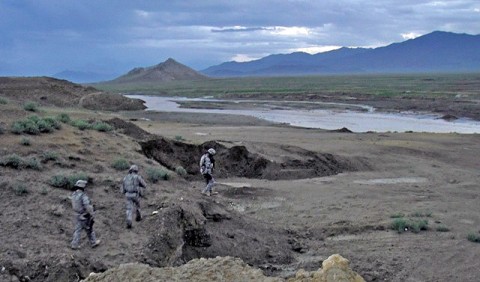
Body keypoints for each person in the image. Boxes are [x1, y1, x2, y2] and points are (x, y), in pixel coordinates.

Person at [70, 180, 100, 250]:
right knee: (89, 229)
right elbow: (87, 206)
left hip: (77, 215)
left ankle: (74, 244)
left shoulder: (74, 195)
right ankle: (93, 242)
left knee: (77, 230)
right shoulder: (83, 196)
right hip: (84, 215)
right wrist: (92, 213)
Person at [121, 164, 147, 229]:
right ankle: (138, 217)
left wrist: (125, 192)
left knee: (129, 209)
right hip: (135, 194)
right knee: (137, 206)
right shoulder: (137, 177)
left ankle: (129, 220)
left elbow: (122, 189)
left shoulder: (125, 178)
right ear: (136, 170)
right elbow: (144, 185)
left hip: (127, 195)